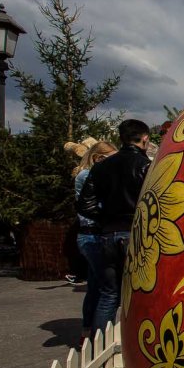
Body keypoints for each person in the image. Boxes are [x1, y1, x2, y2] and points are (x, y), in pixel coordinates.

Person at [77, 119, 152, 332]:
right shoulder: (146, 166)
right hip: (137, 234)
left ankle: (98, 343)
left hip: (108, 235)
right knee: (141, 292)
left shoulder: (101, 167)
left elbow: (85, 205)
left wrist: (107, 218)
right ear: (144, 138)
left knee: (109, 293)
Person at [73, 141, 117, 343]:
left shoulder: (88, 174)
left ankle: (87, 331)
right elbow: (93, 206)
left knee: (95, 287)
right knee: (108, 289)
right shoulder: (88, 175)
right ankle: (99, 339)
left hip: (91, 234)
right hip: (94, 234)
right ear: (99, 158)